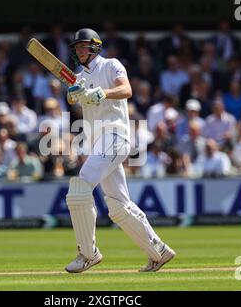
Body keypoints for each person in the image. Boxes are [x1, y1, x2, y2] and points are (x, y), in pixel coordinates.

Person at [63, 28, 175, 273]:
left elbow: (126, 90)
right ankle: (159, 251)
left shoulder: (112, 65)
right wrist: (74, 95)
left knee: (79, 189)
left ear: (94, 46)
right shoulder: (79, 75)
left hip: (115, 136)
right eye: (77, 47)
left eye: (83, 46)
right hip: (97, 143)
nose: (79, 51)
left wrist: (101, 93)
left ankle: (87, 254)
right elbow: (76, 99)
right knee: (118, 206)